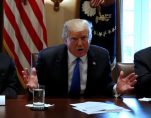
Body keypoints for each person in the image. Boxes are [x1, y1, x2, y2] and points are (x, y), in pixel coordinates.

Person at [22, 19, 137, 98]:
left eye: (84, 38)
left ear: (90, 38)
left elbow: (106, 86)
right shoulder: (47, 57)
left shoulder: (102, 55)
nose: (80, 44)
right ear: (65, 40)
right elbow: (40, 89)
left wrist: (117, 89)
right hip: (57, 109)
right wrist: (34, 88)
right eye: (74, 39)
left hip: (91, 110)